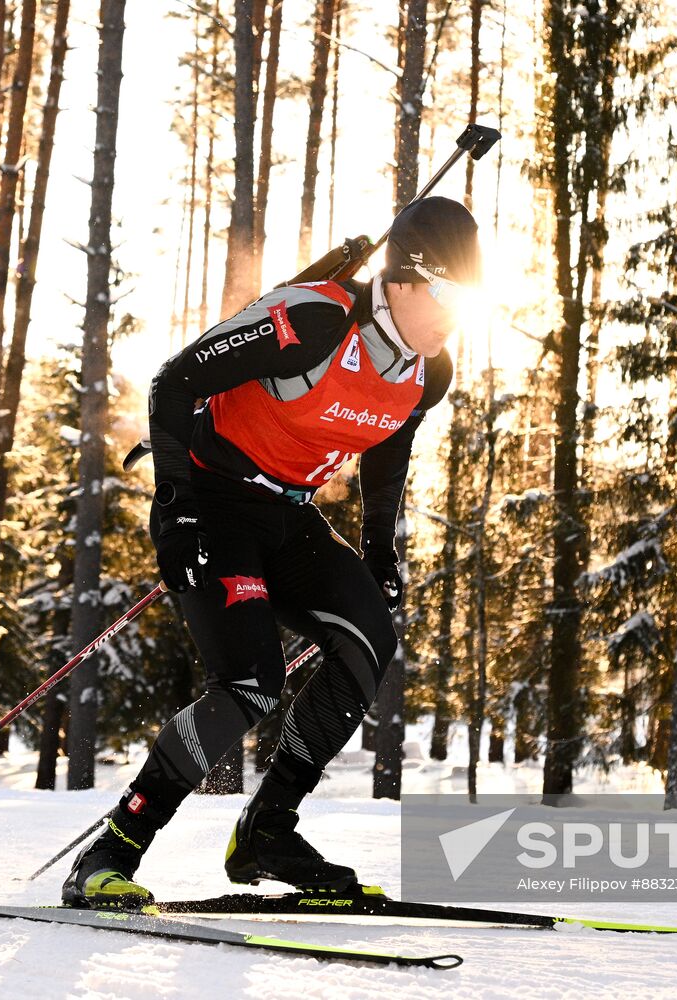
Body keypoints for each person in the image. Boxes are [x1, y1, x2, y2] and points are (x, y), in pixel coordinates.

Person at [61, 196, 481, 909]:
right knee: (249, 683)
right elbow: (175, 382)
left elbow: (386, 461)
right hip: (210, 501)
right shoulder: (316, 321)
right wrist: (177, 509)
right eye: (444, 295)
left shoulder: (428, 373)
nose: (452, 318)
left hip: (287, 512)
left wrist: (379, 554)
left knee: (365, 642)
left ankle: (267, 831)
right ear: (402, 280)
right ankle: (109, 854)